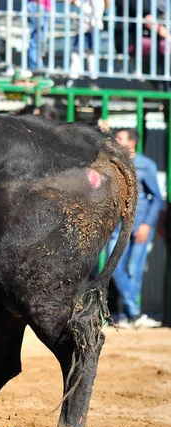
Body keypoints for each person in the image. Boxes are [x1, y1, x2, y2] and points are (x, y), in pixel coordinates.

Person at [108, 128, 163, 328]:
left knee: (133, 270)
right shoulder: (113, 163)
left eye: (120, 138)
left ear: (132, 143)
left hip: (139, 226)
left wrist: (147, 225)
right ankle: (135, 313)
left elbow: (156, 198)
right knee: (112, 267)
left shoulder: (146, 165)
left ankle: (131, 315)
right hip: (117, 227)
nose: (116, 140)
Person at [69, 0, 105, 80]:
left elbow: (94, 12)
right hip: (84, 29)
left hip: (92, 29)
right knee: (76, 54)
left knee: (90, 55)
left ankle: (93, 80)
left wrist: (76, 3)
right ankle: (73, 78)